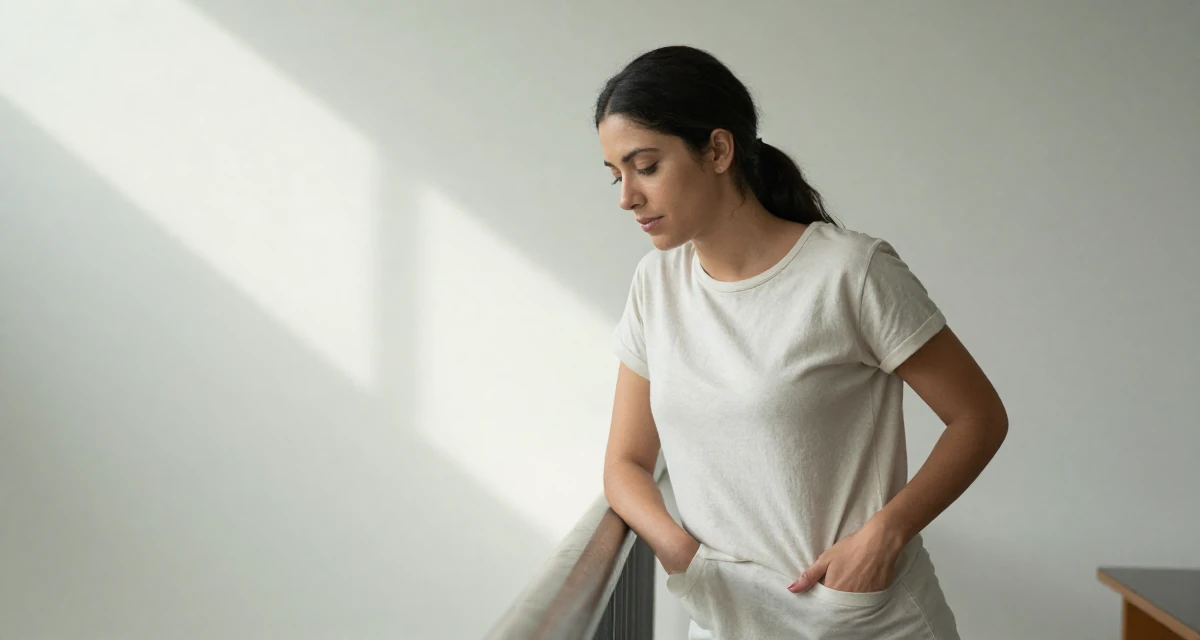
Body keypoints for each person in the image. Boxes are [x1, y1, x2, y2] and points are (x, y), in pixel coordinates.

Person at [598, 45, 1008, 639]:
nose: (626, 197)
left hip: (864, 621)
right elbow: (625, 464)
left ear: (717, 149)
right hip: (727, 620)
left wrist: (885, 535)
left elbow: (978, 416)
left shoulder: (850, 272)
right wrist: (686, 556)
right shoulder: (654, 284)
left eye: (646, 167)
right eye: (616, 175)